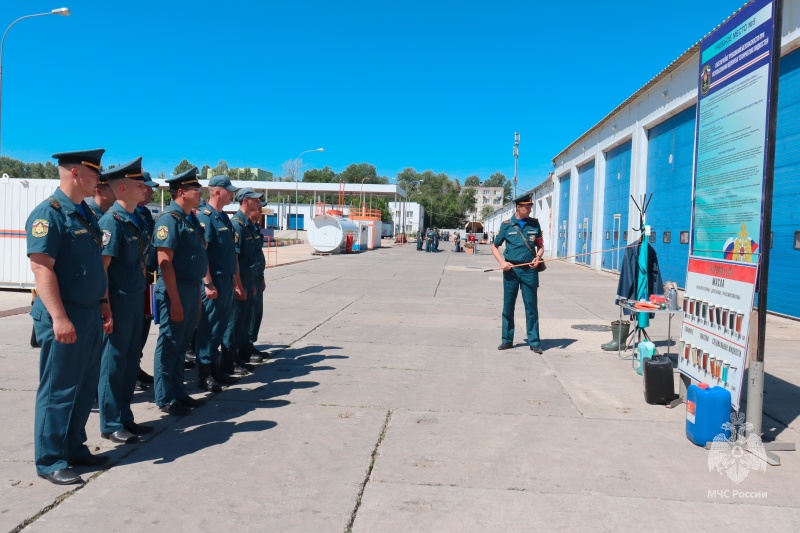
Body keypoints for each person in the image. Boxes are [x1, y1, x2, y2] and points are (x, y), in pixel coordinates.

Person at [26, 148, 111, 485]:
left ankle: (74, 447)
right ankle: (50, 460)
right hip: (63, 313)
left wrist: (104, 302)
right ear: (76, 173)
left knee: (84, 385)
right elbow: (41, 268)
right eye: (95, 175)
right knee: (59, 388)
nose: (98, 181)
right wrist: (60, 318)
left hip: (89, 312)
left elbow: (93, 265)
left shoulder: (85, 215)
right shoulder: (49, 214)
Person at [96, 157, 153, 444]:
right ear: (121, 188)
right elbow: (102, 268)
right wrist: (104, 305)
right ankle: (111, 422)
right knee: (114, 364)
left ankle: (125, 417)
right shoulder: (111, 221)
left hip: (133, 301)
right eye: (138, 183)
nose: (144, 188)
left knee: (131, 362)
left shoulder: (134, 219)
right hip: (116, 304)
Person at [151, 167, 211, 416]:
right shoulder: (169, 220)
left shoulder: (190, 219)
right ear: (180, 192)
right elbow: (165, 262)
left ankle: (178, 392)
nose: (199, 193)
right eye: (195, 190)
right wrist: (174, 301)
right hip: (174, 289)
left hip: (190, 288)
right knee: (170, 343)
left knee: (182, 343)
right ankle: (165, 397)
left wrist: (197, 295)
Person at [195, 175, 244, 392]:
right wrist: (207, 283)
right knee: (209, 327)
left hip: (225, 279)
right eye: (228, 190)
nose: (231, 193)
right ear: (217, 192)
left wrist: (234, 280)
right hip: (214, 282)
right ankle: (204, 374)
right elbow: (202, 254)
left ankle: (215, 369)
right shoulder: (206, 218)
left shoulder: (222, 217)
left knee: (220, 326)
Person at [491, 192, 544, 354]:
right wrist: (502, 262)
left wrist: (538, 257)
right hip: (511, 271)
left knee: (531, 306)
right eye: (526, 207)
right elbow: (494, 246)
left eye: (530, 207)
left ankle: (534, 341)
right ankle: (507, 340)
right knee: (508, 306)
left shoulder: (535, 225)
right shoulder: (507, 225)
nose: (529, 210)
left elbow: (540, 246)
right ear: (518, 207)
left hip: (529, 270)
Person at [224, 187, 265, 371]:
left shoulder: (247, 225)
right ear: (245, 201)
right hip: (239, 281)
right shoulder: (237, 224)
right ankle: (228, 360)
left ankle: (237, 356)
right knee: (234, 322)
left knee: (243, 321)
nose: (258, 203)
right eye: (255, 200)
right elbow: (235, 258)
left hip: (249, 279)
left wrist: (255, 280)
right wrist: (238, 284)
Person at [134, 173, 158, 391]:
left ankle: (135, 367)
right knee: (135, 328)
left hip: (148, 280)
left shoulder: (144, 213)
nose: (151, 191)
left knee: (143, 325)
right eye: (147, 188)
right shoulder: (129, 214)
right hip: (135, 280)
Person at [247, 206, 268, 356]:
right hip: (247, 278)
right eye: (258, 209)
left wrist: (261, 277)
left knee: (256, 313)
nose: (261, 212)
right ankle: (241, 349)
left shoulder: (255, 228)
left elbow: (257, 255)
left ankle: (249, 344)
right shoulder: (242, 226)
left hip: (256, 276)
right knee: (248, 315)